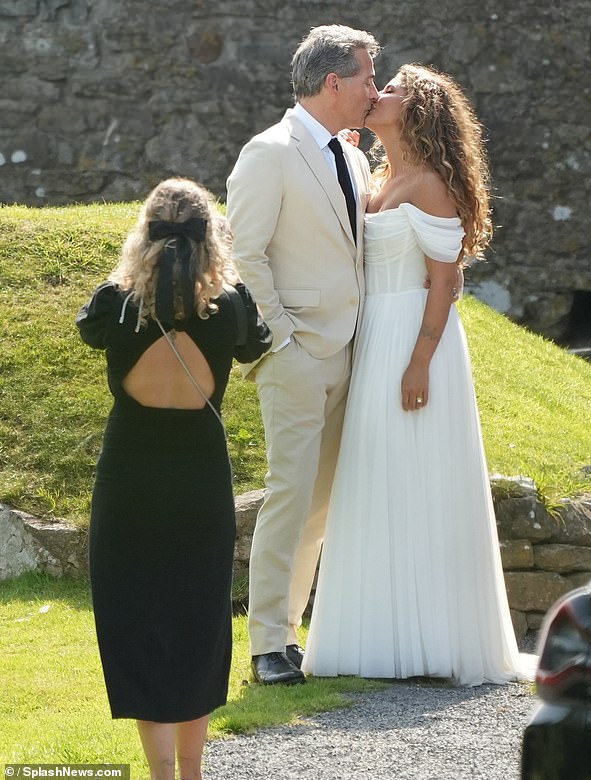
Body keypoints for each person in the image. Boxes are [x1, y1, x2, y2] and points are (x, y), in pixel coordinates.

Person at [303, 65, 536, 685]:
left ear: (420, 110)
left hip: (413, 339)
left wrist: (420, 359)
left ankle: (430, 639)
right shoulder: (380, 176)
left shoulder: (431, 184)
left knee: (417, 474)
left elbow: (446, 279)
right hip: (375, 335)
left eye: (396, 88)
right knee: (375, 472)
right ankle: (378, 633)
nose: (380, 92)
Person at [76, 178, 271, 780]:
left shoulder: (115, 302)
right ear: (212, 235)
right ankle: (192, 773)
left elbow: (89, 330)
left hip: (129, 474)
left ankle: (160, 774)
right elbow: (256, 343)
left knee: (136, 617)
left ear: (145, 231)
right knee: (197, 619)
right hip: (198, 478)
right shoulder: (232, 305)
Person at [225, 25, 381, 685]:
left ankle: (290, 638)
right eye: (369, 78)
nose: (376, 90)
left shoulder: (353, 155)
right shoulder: (268, 152)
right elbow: (244, 253)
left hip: (351, 353)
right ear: (334, 81)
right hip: (294, 355)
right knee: (289, 495)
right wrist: (283, 337)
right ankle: (264, 648)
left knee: (319, 504)